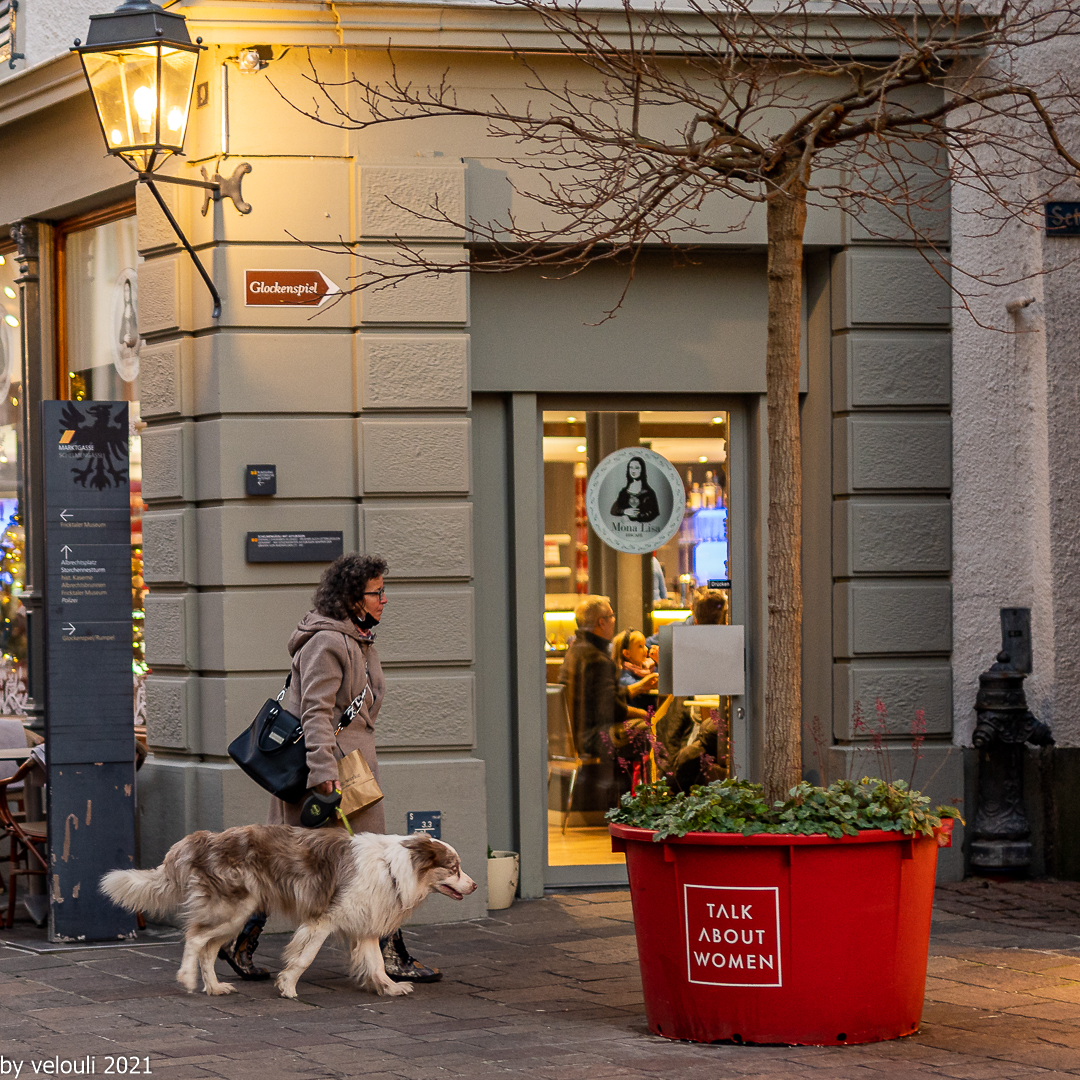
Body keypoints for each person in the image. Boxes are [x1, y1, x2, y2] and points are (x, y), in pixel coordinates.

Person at [218, 553, 441, 985]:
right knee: (370, 866)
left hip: (346, 770)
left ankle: (238, 940)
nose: (384, 600)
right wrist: (324, 774)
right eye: (377, 592)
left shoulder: (355, 639)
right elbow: (315, 713)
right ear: (353, 597)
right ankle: (390, 956)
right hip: (330, 778)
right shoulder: (328, 643)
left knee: (287, 863)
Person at [611, 628, 659, 711]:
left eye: (645, 645)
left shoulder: (649, 668)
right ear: (627, 653)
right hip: (635, 719)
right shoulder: (622, 674)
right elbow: (645, 687)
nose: (646, 649)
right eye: (640, 646)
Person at [609, 456, 660, 523]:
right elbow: (614, 510)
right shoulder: (624, 492)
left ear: (642, 470)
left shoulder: (649, 493)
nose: (633, 471)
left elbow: (654, 512)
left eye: (637, 468)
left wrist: (638, 515)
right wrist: (625, 511)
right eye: (631, 468)